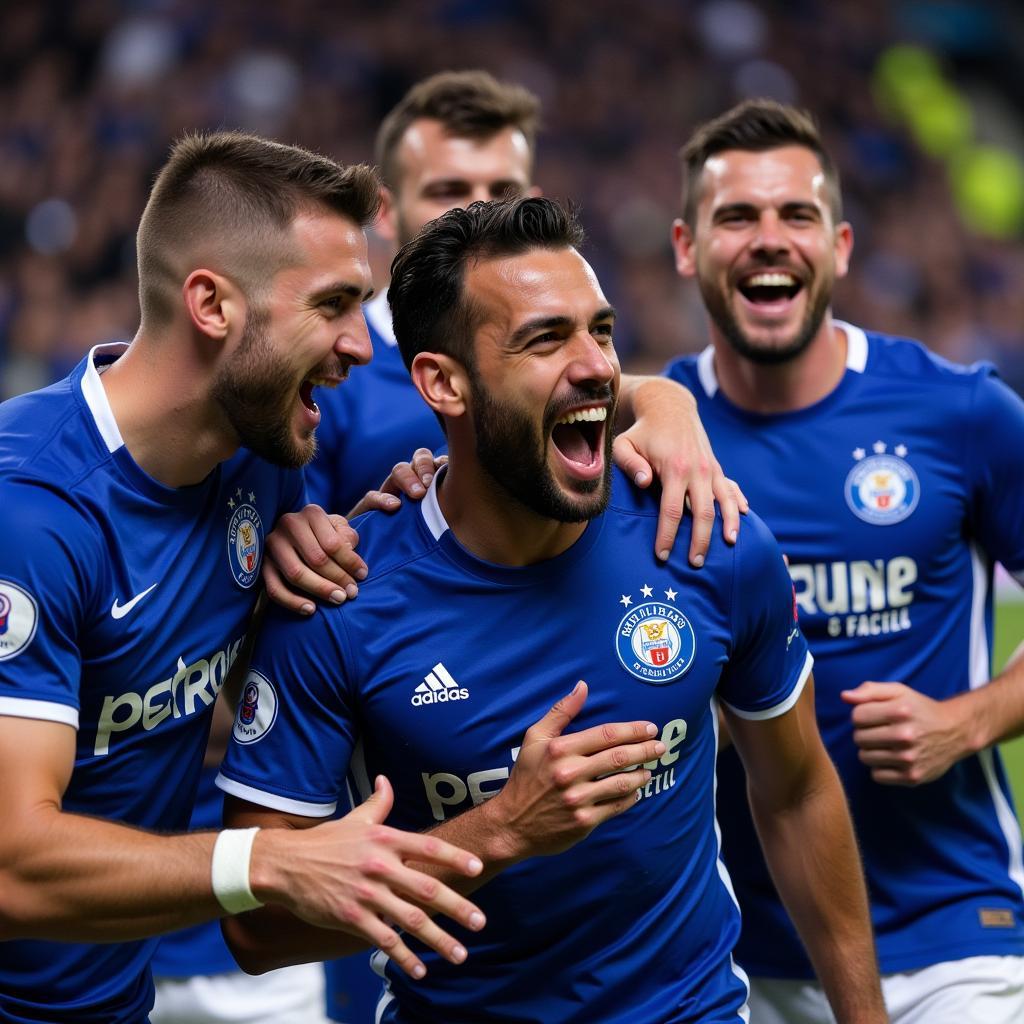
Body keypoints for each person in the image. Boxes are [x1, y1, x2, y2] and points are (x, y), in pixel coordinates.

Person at [216, 197, 886, 1024]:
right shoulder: (338, 600)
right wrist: (495, 831)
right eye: (544, 338)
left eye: (600, 331)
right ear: (443, 383)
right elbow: (254, 930)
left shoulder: (705, 535)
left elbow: (795, 790)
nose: (598, 367)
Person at [0, 130, 489, 1024]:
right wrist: (266, 864)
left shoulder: (259, 462)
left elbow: (186, 699)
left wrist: (331, 575)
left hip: (109, 998)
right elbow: (10, 863)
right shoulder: (28, 514)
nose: (362, 345)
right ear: (213, 305)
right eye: (335, 304)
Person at [664, 99, 1024, 1023]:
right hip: (735, 957)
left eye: (797, 215)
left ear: (843, 245)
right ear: (685, 246)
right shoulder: (645, 437)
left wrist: (968, 720)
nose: (768, 239)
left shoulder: (960, 413)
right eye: (737, 216)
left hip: (955, 934)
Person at [307, 69, 740, 570]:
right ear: (384, 212)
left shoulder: (589, 375)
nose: (480, 206)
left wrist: (664, 399)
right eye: (448, 188)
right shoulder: (327, 368)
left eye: (503, 188)